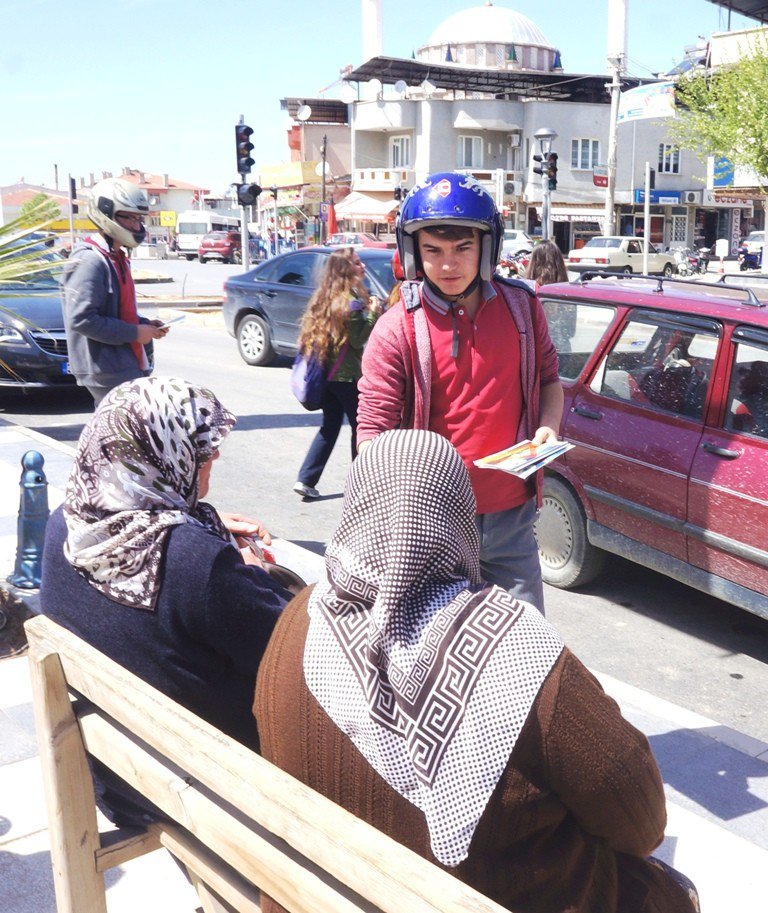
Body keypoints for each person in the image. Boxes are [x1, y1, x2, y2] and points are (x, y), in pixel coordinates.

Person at [254, 429, 699, 913]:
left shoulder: (299, 619)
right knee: (666, 892)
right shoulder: (516, 652)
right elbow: (640, 823)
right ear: (457, 517)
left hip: (315, 894)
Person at [39, 376, 290, 827]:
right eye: (202, 448)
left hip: (118, 770)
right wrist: (252, 570)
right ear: (160, 454)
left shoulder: (67, 523)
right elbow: (287, 651)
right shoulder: (197, 565)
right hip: (203, 796)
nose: (215, 456)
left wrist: (197, 520)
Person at [357, 172, 564, 611]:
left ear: (487, 249)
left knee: (527, 650)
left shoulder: (523, 308)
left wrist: (547, 427)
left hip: (512, 515)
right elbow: (371, 439)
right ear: (413, 254)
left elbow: (549, 379)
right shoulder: (397, 330)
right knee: (435, 659)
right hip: (432, 524)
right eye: (433, 251)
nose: (448, 265)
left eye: (462, 249)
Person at [61, 177, 169, 406]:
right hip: (107, 369)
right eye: (128, 217)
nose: (136, 226)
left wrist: (145, 325)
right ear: (106, 213)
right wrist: (134, 333)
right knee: (126, 436)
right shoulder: (91, 260)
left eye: (138, 218)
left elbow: (117, 312)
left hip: (125, 363)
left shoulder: (116, 257)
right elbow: (81, 319)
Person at [293, 248, 381, 500]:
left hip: (326, 376)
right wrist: (373, 312)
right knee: (360, 428)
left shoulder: (325, 297)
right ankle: (361, 485)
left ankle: (305, 478)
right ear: (345, 269)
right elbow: (357, 339)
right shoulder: (351, 302)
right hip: (347, 378)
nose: (362, 266)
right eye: (356, 263)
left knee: (330, 427)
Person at [524, 239, 577, 354]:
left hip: (537, 354)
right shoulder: (568, 293)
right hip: (564, 351)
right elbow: (571, 331)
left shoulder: (528, 292)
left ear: (534, 263)